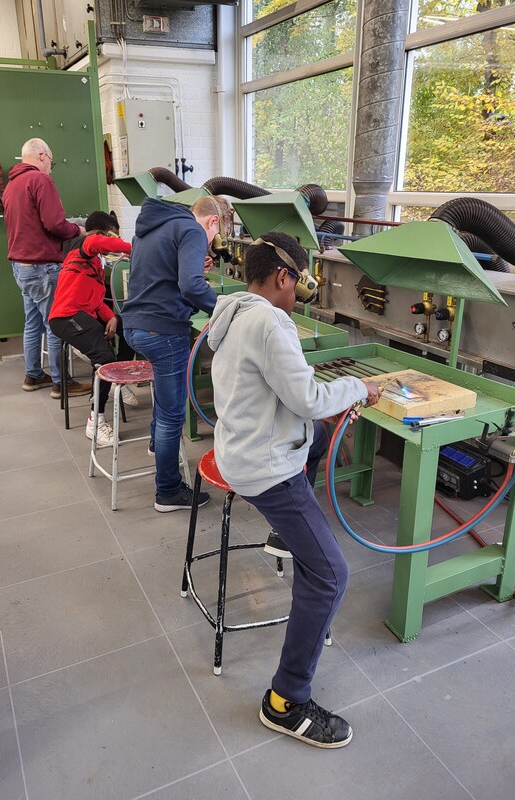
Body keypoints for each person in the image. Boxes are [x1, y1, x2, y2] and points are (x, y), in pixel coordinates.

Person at [207, 232, 382, 749]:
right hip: (265, 468)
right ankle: (286, 701)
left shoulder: (235, 311)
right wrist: (360, 389)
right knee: (330, 575)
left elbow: (292, 398)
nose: (299, 292)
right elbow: (305, 396)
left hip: (245, 447)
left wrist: (328, 416)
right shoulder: (269, 321)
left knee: (323, 435)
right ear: (283, 277)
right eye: (299, 281)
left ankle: (291, 533)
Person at [121, 194, 233, 512]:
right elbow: (192, 287)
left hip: (135, 326)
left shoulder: (154, 224)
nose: (212, 242)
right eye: (216, 235)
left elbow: (163, 271)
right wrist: (228, 311)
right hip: (164, 331)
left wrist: (196, 262)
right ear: (213, 221)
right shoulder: (193, 230)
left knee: (164, 399)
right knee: (173, 416)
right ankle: (168, 491)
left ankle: (159, 447)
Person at [2, 137, 91, 399]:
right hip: (42, 267)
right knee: (56, 324)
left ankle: (33, 375)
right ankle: (61, 381)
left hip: (21, 267)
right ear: (42, 156)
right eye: (51, 161)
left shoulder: (12, 185)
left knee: (33, 323)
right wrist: (80, 230)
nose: (51, 166)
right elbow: (55, 224)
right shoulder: (40, 180)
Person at [49, 211, 132, 447]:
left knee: (126, 322)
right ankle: (95, 422)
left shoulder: (95, 262)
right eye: (112, 236)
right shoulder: (82, 247)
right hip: (66, 318)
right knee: (105, 358)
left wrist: (111, 319)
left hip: (83, 315)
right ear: (104, 233)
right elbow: (95, 242)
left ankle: (119, 381)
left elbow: (95, 302)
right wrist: (132, 248)